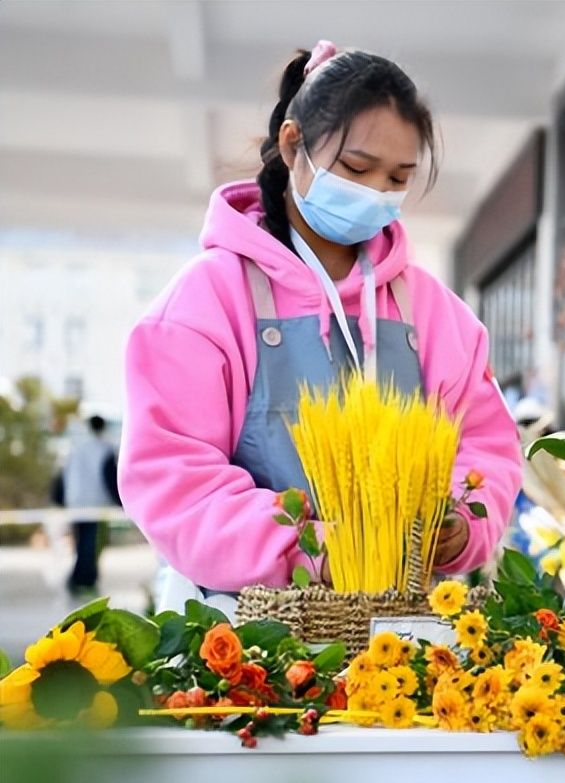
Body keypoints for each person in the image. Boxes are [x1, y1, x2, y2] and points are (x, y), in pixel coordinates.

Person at [118, 41, 522, 614]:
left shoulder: (436, 313)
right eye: (356, 168)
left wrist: (459, 522)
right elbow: (174, 479)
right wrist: (320, 550)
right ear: (292, 145)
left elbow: (487, 447)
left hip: (400, 634)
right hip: (244, 632)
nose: (376, 191)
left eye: (398, 177)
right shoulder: (204, 304)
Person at [54, 415, 121, 595]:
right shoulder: (105, 448)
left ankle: (80, 578)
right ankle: (83, 580)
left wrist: (61, 500)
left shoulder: (75, 447)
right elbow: (110, 477)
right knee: (92, 544)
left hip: (75, 502)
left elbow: (62, 475)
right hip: (96, 505)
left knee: (81, 542)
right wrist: (121, 503)